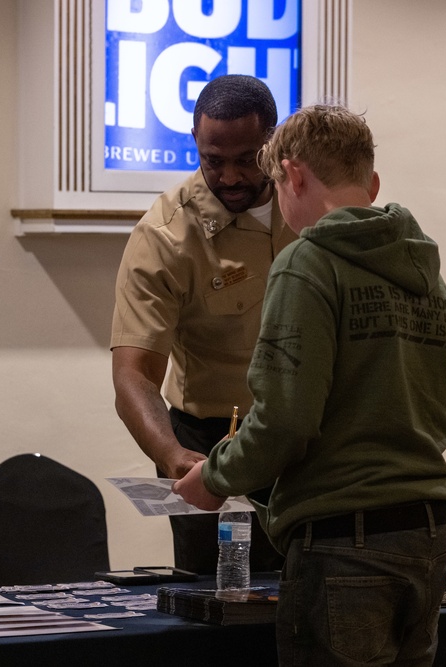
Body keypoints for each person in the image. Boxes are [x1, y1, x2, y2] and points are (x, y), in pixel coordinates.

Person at [174, 105, 446, 665]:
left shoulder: (308, 263)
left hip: (344, 543)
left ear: (293, 175)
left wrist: (215, 475)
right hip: (428, 536)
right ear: (371, 183)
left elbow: (286, 419)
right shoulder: (432, 281)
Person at [111, 74, 294, 575]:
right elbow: (135, 373)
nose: (231, 177)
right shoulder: (166, 235)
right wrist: (172, 455)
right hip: (212, 439)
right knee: (217, 612)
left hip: (304, 436)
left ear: (273, 143)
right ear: (195, 140)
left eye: (247, 159)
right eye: (214, 161)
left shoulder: (308, 203)